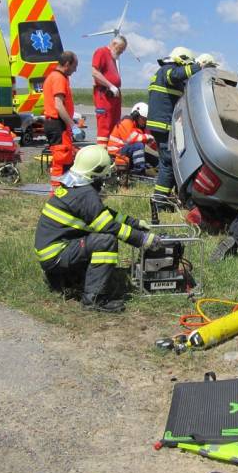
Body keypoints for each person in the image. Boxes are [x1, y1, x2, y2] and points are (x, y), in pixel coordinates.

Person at [34, 145, 159, 312]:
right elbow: (107, 225)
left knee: (99, 238)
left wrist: (134, 223)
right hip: (56, 254)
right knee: (105, 241)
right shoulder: (86, 194)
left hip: (54, 251)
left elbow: (103, 214)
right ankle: (95, 299)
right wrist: (141, 239)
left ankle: (71, 280)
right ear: (96, 172)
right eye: (105, 174)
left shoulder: (75, 187)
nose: (106, 179)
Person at [147, 47, 216, 204]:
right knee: (169, 163)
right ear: (182, 59)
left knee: (168, 162)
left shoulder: (163, 73)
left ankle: (164, 198)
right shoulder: (167, 70)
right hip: (163, 125)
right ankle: (159, 202)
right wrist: (199, 66)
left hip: (160, 125)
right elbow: (177, 75)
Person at [42, 51, 78, 190]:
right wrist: (72, 125)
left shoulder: (54, 76)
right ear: (67, 64)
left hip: (56, 124)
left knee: (64, 159)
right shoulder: (59, 78)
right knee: (62, 160)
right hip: (58, 124)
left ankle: (63, 191)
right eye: (74, 66)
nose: (75, 70)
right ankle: (58, 194)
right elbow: (58, 105)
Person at [92, 36, 127, 146]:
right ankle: (102, 153)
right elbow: (95, 72)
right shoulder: (101, 52)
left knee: (114, 124)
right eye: (120, 49)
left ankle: (111, 150)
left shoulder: (112, 57)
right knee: (105, 124)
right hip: (105, 95)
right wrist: (110, 85)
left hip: (114, 96)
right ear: (114, 44)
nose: (121, 53)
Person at [107, 102, 155, 175]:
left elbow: (151, 142)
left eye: (146, 119)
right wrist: (147, 137)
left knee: (154, 159)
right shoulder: (126, 122)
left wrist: (162, 149)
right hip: (116, 153)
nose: (145, 122)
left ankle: (159, 170)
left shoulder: (140, 126)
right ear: (136, 116)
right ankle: (139, 171)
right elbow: (130, 139)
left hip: (127, 151)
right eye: (144, 119)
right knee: (139, 145)